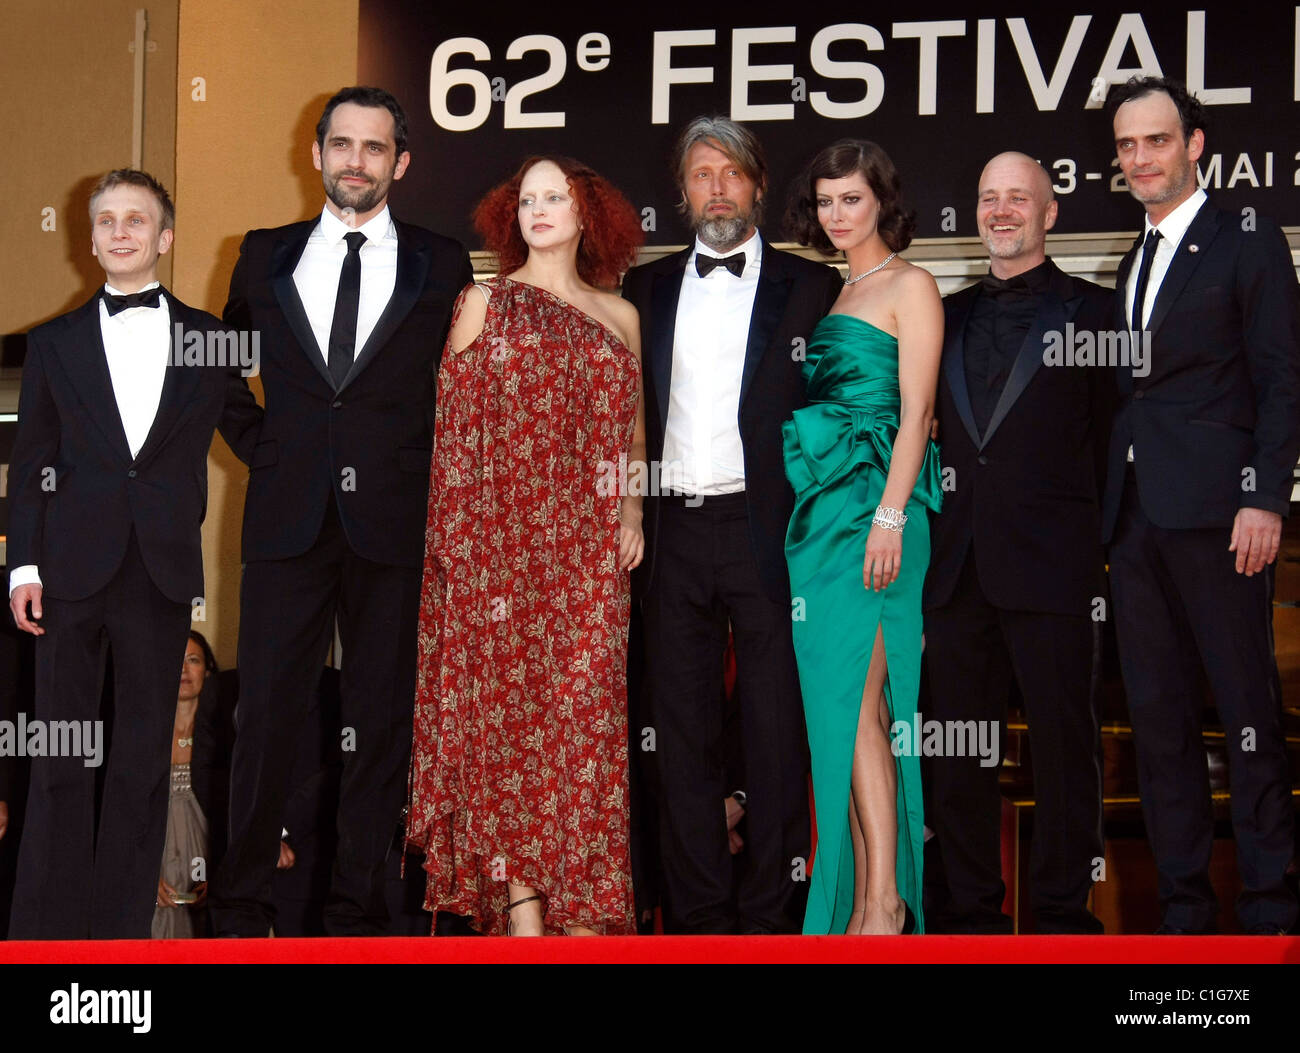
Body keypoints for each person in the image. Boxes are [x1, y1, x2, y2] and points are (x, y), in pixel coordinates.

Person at [209, 86, 472, 937]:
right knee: (263, 719)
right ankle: (241, 906)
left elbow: (462, 393)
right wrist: (265, 448)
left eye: (375, 147)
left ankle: (358, 911)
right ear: (316, 152)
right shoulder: (263, 253)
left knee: (380, 721)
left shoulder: (443, 262)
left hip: (397, 521)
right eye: (342, 144)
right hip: (287, 517)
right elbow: (218, 363)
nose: (356, 160)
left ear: (400, 163)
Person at [6, 170, 262, 939]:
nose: (121, 232)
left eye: (137, 220)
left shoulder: (212, 339)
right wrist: (24, 567)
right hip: (68, 571)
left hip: (159, 571)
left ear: (165, 237)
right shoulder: (52, 343)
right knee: (59, 756)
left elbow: (252, 434)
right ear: (91, 240)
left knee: (141, 760)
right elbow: (31, 460)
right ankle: (46, 934)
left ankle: (119, 935)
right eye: (108, 221)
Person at [406, 155, 645, 936]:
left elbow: (633, 436)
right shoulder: (484, 301)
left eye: (558, 197)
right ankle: (525, 917)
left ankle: (583, 908)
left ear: (589, 213)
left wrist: (632, 513)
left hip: (588, 558)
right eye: (529, 198)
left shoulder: (622, 316)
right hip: (502, 550)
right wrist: (464, 558)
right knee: (509, 731)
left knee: (583, 729)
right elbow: (451, 441)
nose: (540, 209)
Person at [621, 117, 841, 934]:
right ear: (682, 193)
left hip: (771, 528)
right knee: (678, 732)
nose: (717, 187)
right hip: (673, 531)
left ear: (758, 184)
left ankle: (771, 917)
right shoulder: (642, 293)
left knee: (777, 723)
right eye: (701, 174)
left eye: (731, 173)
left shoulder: (814, 289)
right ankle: (697, 917)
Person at [1103, 77, 1300, 935]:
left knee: (1247, 712)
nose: (1140, 158)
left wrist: (1265, 497)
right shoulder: (1131, 259)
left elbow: (1284, 378)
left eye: (1156, 140)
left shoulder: (1245, 241)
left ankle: (1270, 903)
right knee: (1158, 718)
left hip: (1225, 519)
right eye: (1127, 146)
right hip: (1138, 519)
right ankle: (1183, 905)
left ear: (1196, 145)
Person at [922, 153, 1114, 934]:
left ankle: (1065, 918)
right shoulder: (945, 312)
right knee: (957, 757)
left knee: (1066, 753)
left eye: (1018, 199)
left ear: (1049, 213)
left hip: (1057, 571)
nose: (1002, 210)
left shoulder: (1099, 314)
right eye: (988, 198)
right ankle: (969, 917)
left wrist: (1090, 549)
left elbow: (1113, 440)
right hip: (957, 569)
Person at [781, 140, 942, 935]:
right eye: (826, 202)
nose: (839, 214)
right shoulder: (839, 291)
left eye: (853, 198)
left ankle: (882, 900)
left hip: (879, 514)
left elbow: (916, 415)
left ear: (882, 200)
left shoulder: (911, 284)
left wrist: (888, 515)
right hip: (823, 520)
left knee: (862, 705)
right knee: (840, 708)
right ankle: (865, 896)